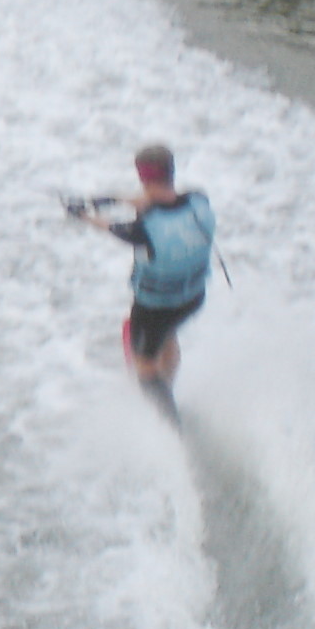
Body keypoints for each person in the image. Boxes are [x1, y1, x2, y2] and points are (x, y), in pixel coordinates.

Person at [71, 143, 215, 423]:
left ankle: (169, 425)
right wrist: (114, 199)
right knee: (167, 334)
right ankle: (167, 387)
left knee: (145, 363)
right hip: (193, 298)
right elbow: (162, 201)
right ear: (171, 170)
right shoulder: (199, 200)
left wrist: (83, 214)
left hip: (155, 308)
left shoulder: (143, 229)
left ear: (141, 176)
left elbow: (111, 226)